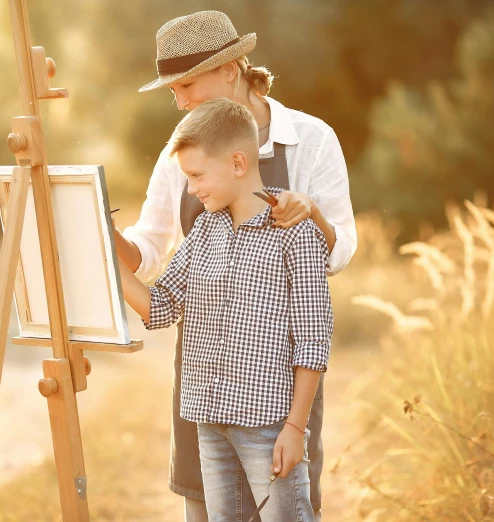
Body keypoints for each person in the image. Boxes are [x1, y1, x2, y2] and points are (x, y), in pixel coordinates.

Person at [113, 11, 356, 522]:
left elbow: (338, 252)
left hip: (276, 385)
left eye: (186, 84)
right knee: (207, 509)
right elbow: (151, 250)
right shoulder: (181, 155)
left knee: (284, 506)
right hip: (205, 381)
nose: (178, 101)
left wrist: (308, 211)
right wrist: (94, 233)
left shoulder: (312, 139)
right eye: (171, 90)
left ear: (230, 70)